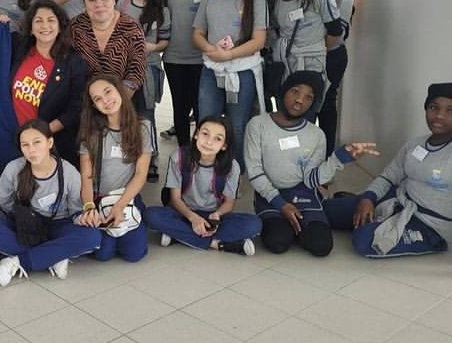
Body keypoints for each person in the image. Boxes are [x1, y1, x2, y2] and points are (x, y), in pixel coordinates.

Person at [245, 71, 378, 256]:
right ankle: (297, 222)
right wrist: (281, 204)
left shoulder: (316, 135)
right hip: (269, 195)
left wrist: (339, 159)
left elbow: (311, 180)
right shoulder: (257, 124)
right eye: (295, 91)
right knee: (277, 242)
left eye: (309, 97)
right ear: (284, 92)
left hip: (303, 193)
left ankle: (326, 210)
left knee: (321, 246)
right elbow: (254, 172)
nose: (300, 100)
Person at [324, 83, 452, 258]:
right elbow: (388, 177)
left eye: (449, 111)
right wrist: (368, 199)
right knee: (327, 210)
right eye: (433, 107)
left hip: (430, 226)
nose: (439, 116)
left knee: (365, 240)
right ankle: (360, 206)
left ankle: (377, 220)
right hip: (396, 201)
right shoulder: (415, 144)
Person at [0, 120, 102, 287]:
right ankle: (52, 256)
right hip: (24, 226)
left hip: (59, 225)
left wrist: (84, 219)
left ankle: (19, 261)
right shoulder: (14, 169)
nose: (31, 150)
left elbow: (75, 212)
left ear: (50, 142)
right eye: (25, 145)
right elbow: (2, 206)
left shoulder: (68, 171)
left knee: (92, 236)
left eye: (37, 142)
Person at [193, 0, 268, 168]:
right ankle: (205, 166)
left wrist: (229, 55)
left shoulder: (256, 0)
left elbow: (258, 41)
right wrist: (211, 50)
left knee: (237, 124)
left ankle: (235, 169)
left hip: (242, 71)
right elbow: (197, 33)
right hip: (211, 68)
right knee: (206, 119)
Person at [145, 116, 261, 255]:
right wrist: (193, 218)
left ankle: (179, 236)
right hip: (184, 213)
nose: (209, 142)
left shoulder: (232, 166)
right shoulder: (179, 157)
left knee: (254, 224)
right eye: (205, 134)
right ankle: (217, 244)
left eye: (218, 138)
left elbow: (229, 204)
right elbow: (175, 199)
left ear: (224, 145)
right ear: (196, 135)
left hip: (213, 217)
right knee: (150, 215)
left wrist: (217, 215)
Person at [78, 75, 153, 262]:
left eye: (108, 92)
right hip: (99, 200)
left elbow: (141, 174)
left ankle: (136, 218)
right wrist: (88, 207)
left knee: (134, 254)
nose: (106, 101)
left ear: (119, 90)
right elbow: (86, 176)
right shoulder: (91, 131)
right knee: (103, 254)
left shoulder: (143, 127)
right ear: (94, 106)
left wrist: (120, 205)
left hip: (126, 198)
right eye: (97, 99)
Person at [264, 0, 343, 115]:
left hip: (313, 65)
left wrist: (316, 51)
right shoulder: (272, 2)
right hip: (285, 66)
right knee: (286, 113)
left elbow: (335, 31)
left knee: (306, 114)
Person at [301, 0, 356, 156]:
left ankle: (325, 158)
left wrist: (326, 45)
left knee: (326, 103)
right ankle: (304, 153)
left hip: (330, 50)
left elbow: (343, 11)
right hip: (302, 51)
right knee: (303, 101)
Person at [11, 0, 87, 165]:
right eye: (38, 21)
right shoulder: (18, 49)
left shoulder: (74, 62)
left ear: (60, 26)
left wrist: (41, 133)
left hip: (52, 143)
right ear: (30, 28)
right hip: (14, 139)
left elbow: (76, 109)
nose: (45, 26)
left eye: (51, 20)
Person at [117, 0, 170, 181]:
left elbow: (166, 40)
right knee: (124, 114)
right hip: (123, 69)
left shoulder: (162, 9)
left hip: (149, 68)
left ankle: (151, 160)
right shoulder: (122, 4)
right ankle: (127, 157)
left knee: (146, 115)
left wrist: (154, 47)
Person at [160, 0, 210, 146]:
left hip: (202, 59)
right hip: (174, 58)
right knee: (180, 108)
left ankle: (201, 151)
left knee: (201, 108)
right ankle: (184, 151)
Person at [70, 0, 146, 97]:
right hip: (82, 103)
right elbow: (66, 66)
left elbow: (136, 71)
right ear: (84, 2)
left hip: (123, 101)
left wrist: (114, 104)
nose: (98, 4)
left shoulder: (131, 28)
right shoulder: (75, 27)